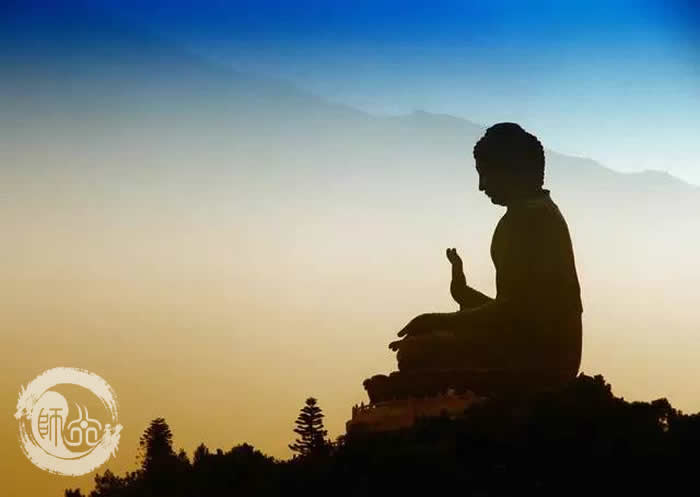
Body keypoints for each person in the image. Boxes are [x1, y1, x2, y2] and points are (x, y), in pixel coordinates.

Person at [389, 123, 583, 380]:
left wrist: (438, 320)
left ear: (513, 171)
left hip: (540, 359)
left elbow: (512, 314)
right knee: (426, 338)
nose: (481, 186)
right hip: (543, 348)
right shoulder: (540, 212)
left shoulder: (527, 220)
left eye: (486, 174)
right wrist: (463, 293)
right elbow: (520, 309)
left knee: (416, 350)